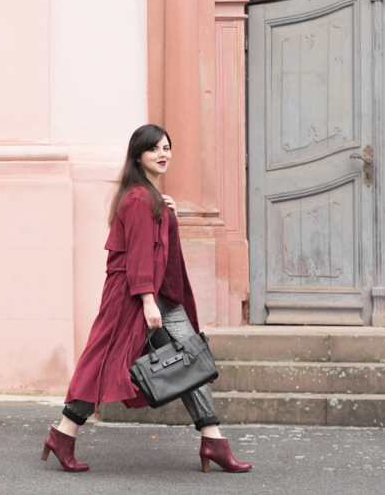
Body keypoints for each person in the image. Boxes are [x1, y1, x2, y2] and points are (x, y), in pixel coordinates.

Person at [41, 124, 252, 474]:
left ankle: (213, 440)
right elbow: (139, 254)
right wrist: (147, 300)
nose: (163, 154)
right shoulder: (139, 198)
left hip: (164, 297)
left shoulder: (149, 197)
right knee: (104, 361)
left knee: (194, 362)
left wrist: (168, 212)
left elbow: (159, 249)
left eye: (167, 147)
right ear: (138, 155)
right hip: (136, 297)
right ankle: (63, 433)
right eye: (154, 149)